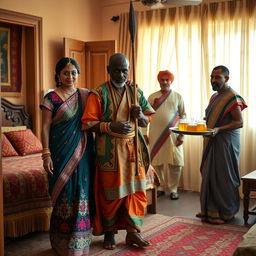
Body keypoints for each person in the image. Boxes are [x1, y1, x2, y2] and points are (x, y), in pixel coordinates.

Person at [81, 53, 155, 250]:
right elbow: (88, 123)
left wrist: (140, 116)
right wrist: (110, 126)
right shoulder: (98, 93)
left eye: (125, 71)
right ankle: (109, 232)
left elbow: (148, 118)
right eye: (117, 70)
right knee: (111, 195)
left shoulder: (135, 91)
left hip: (134, 151)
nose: (121, 75)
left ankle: (133, 233)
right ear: (108, 70)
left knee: (137, 192)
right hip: (110, 153)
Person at [40, 57, 94, 256]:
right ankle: (61, 242)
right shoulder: (51, 98)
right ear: (58, 75)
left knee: (81, 191)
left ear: (78, 74)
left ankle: (80, 243)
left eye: (73, 72)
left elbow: (103, 107)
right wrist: (46, 154)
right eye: (65, 72)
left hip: (83, 152)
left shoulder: (86, 95)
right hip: (60, 152)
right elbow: (45, 127)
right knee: (65, 192)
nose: (70, 76)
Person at [197, 65, 247, 224]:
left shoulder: (232, 96)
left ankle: (225, 212)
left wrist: (219, 128)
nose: (213, 80)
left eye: (217, 77)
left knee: (224, 177)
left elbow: (239, 122)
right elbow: (215, 117)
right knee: (209, 174)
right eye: (212, 77)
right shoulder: (214, 96)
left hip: (226, 143)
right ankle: (208, 211)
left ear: (227, 78)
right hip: (213, 139)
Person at [145, 70, 186, 200]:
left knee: (176, 162)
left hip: (174, 134)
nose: (164, 82)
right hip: (155, 133)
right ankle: (161, 186)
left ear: (171, 81)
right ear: (159, 81)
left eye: (167, 80)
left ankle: (173, 189)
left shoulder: (178, 96)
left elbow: (183, 115)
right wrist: (143, 133)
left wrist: (182, 135)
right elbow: (145, 116)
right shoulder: (152, 97)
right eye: (162, 80)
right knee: (157, 162)